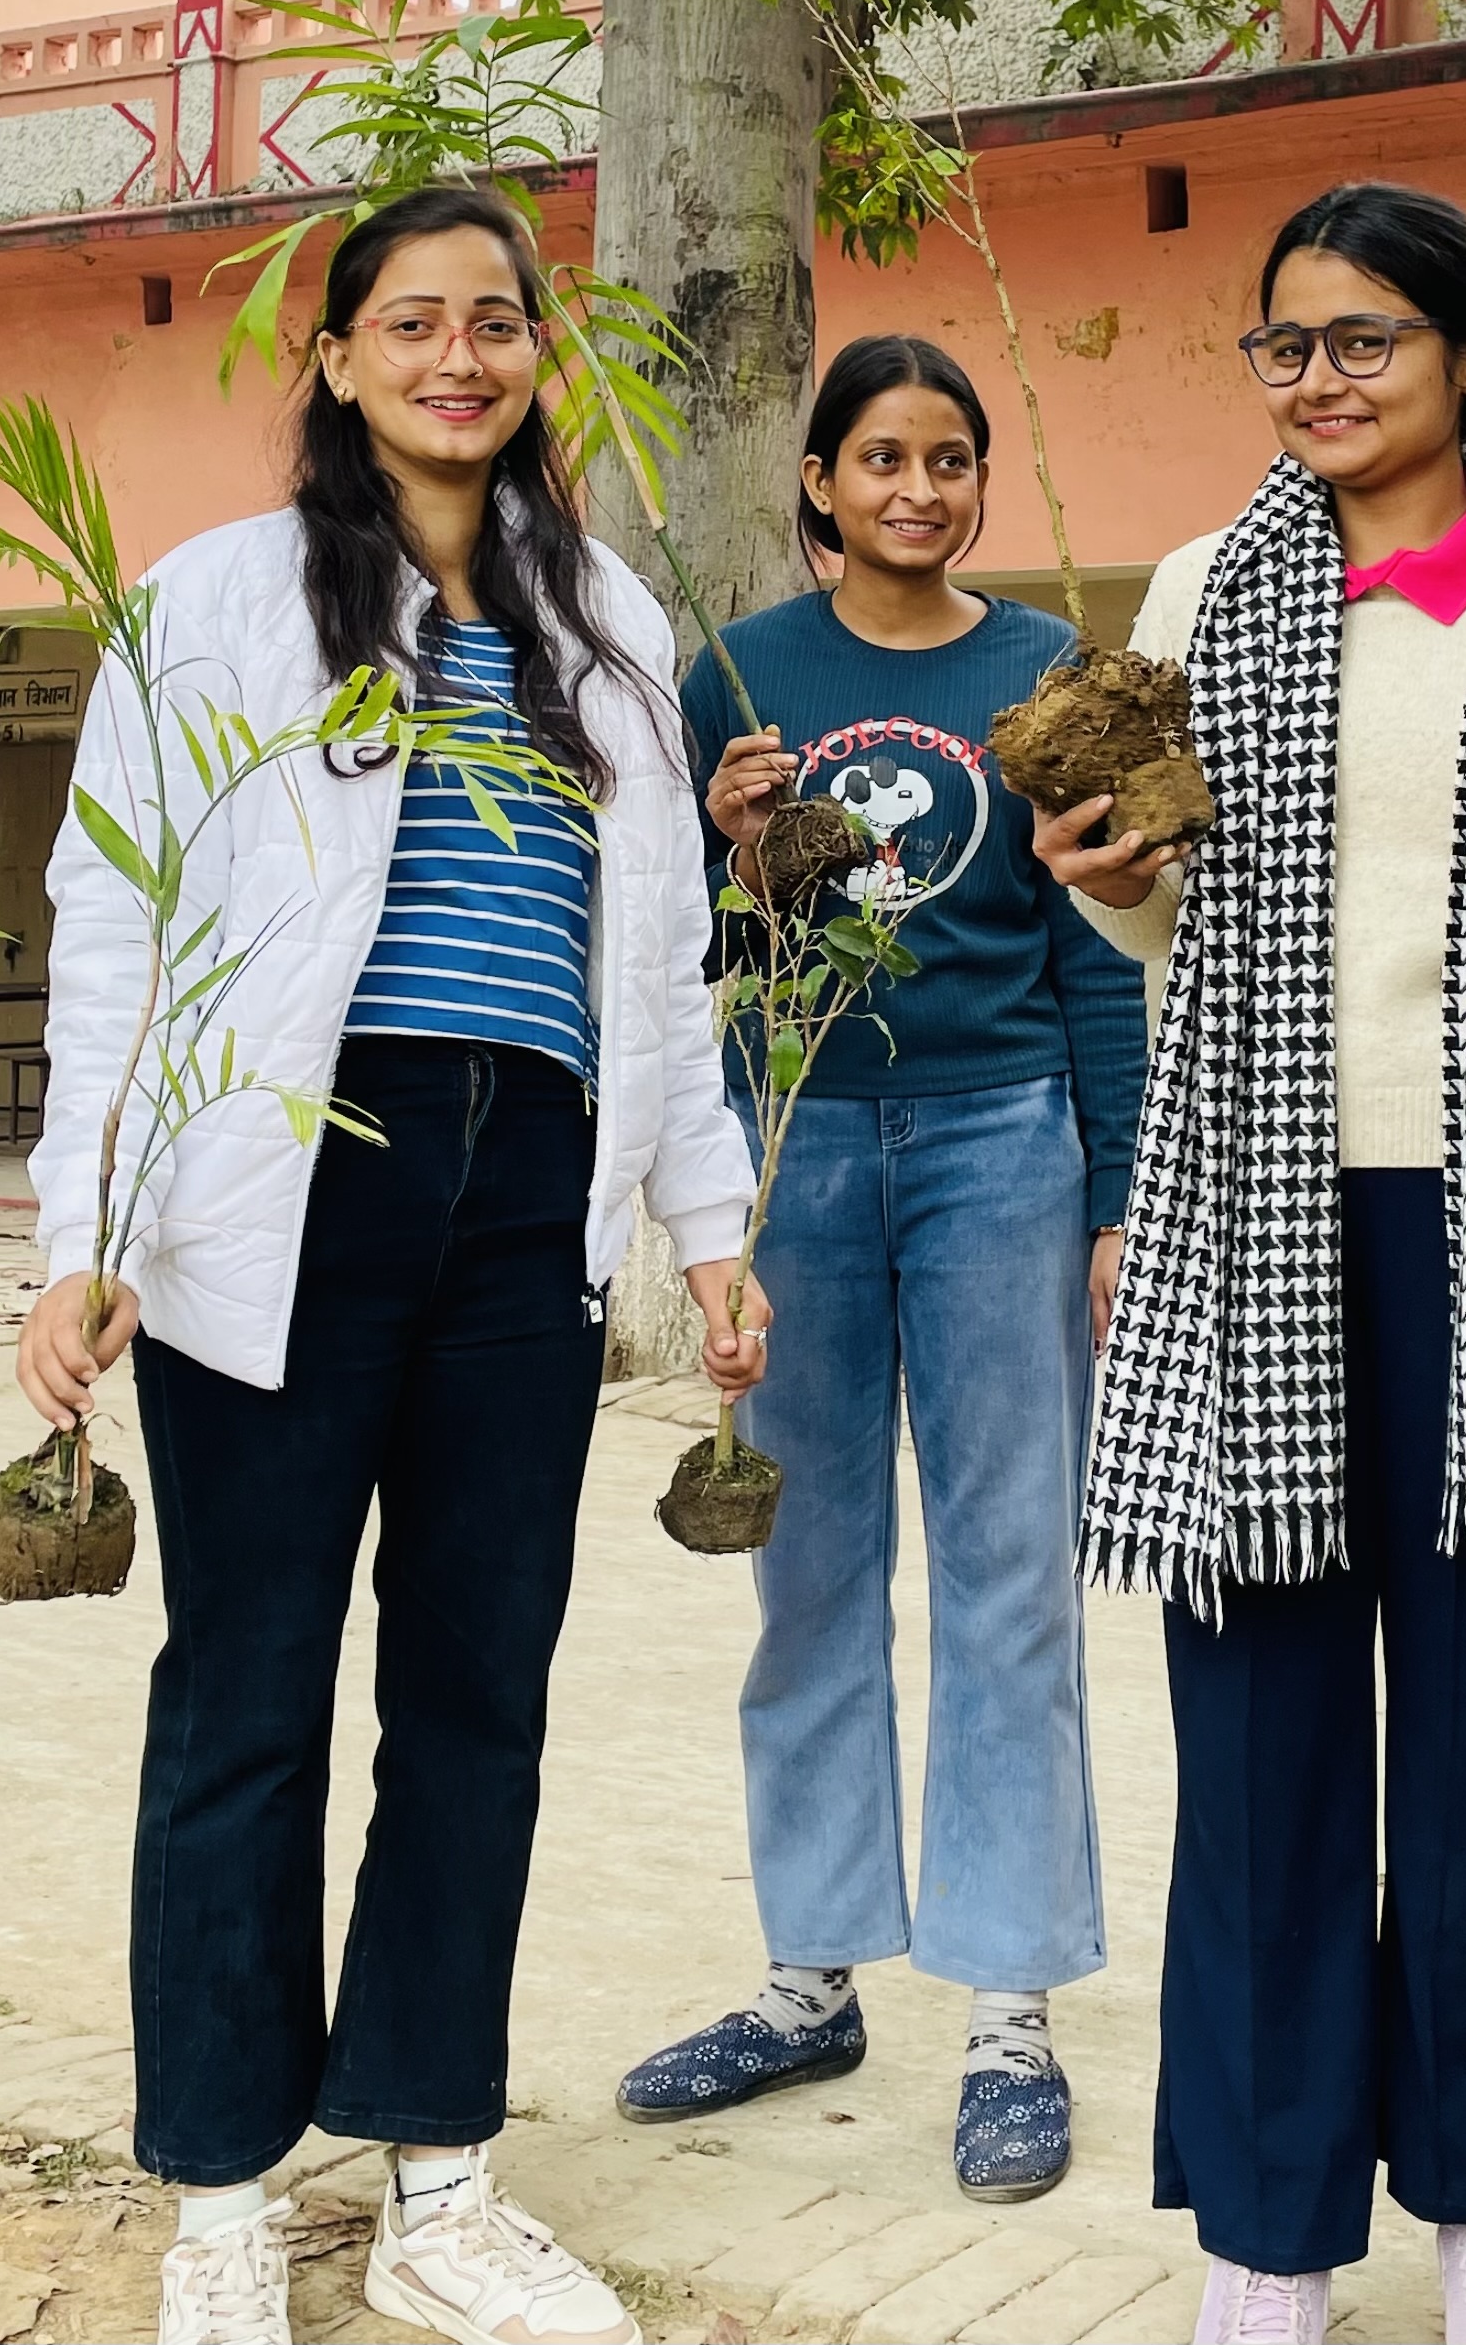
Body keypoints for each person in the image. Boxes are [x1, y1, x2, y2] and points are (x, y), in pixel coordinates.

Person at [15, 184, 767, 2345]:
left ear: (538, 356)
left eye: (499, 320)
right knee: (240, 1700)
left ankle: (441, 2170)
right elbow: (115, 922)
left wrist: (707, 1233)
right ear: (336, 357)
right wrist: (84, 1231)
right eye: (413, 321)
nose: (463, 352)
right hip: (285, 1188)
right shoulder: (217, 601)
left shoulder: (603, 616)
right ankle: (231, 2191)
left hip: (530, 1190)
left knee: (476, 1697)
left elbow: (664, 971)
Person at [1029, 182, 1466, 2345]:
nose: (1320, 379)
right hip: (1258, 1203)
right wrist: (1105, 867)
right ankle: (1269, 2228)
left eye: (1369, 339)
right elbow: (1154, 926)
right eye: (1285, 344)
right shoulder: (1199, 591)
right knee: (1260, 1735)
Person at [615, 334, 1148, 2202]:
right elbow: (682, 951)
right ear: (820, 484)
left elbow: (1093, 940)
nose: (916, 489)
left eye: (949, 459)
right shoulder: (732, 677)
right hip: (800, 1153)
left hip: (1005, 1143)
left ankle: (1010, 2013)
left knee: (1010, 1570)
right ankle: (805, 1980)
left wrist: (1112, 1192)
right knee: (809, 1570)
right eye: (880, 459)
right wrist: (729, 838)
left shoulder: (1041, 677)